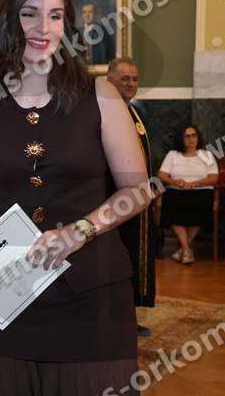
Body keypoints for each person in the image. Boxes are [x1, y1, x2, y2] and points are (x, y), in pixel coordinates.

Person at [0, 0, 150, 395]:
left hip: (94, 294)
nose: (43, 27)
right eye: (29, 13)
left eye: (55, 15)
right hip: (12, 294)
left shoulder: (101, 95)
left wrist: (79, 231)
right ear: (7, 19)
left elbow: (138, 190)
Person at [106, 57, 156, 334]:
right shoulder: (104, 114)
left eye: (135, 79)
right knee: (118, 261)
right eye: (125, 78)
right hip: (115, 203)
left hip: (138, 204)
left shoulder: (135, 113)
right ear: (109, 80)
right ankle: (115, 319)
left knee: (135, 259)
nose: (131, 84)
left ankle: (128, 315)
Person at [157, 124, 219, 264]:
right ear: (181, 139)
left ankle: (184, 250)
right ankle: (186, 249)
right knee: (171, 202)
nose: (191, 139)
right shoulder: (173, 155)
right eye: (187, 136)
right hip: (177, 191)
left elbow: (214, 177)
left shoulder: (206, 155)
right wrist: (174, 181)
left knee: (202, 206)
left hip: (201, 191)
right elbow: (162, 175)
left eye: (194, 135)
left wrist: (195, 183)